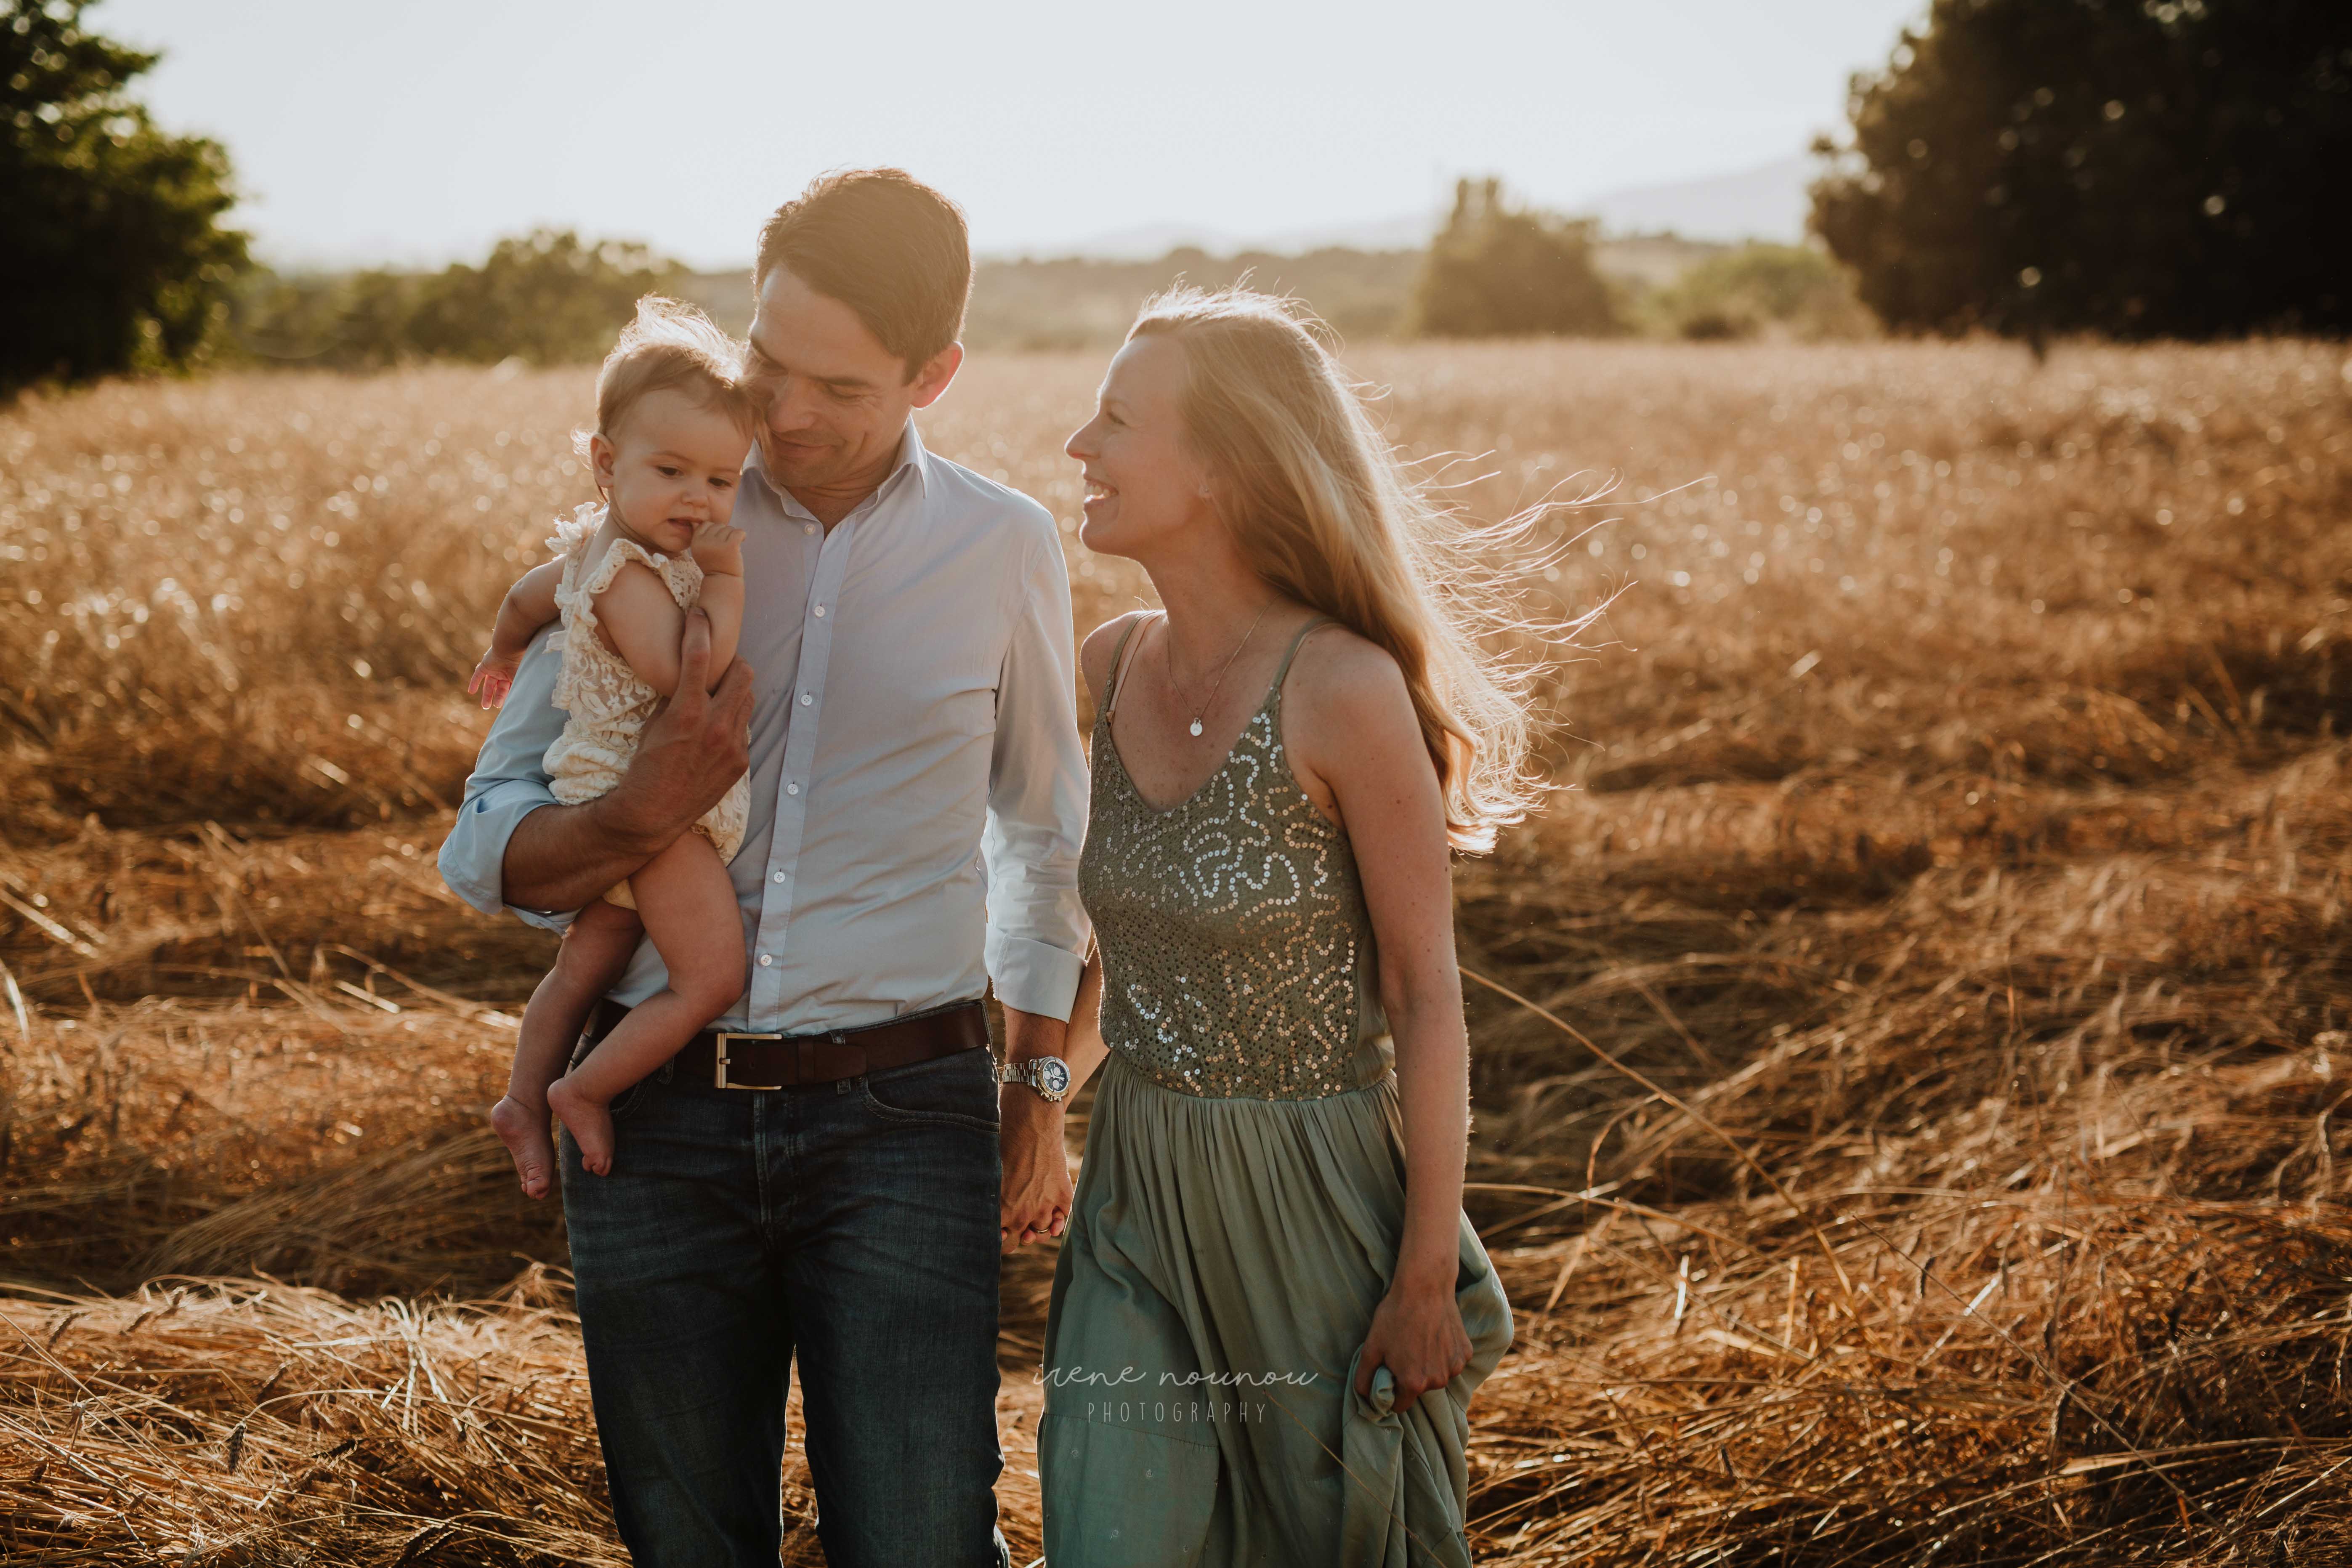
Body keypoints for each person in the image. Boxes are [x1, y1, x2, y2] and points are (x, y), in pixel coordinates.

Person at [439, 169, 1090, 1568]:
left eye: (837, 386)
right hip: (652, 1122)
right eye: (767, 362)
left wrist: (1038, 1094)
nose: (784, 415)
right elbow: (486, 833)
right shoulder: (648, 526)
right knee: (686, 1544)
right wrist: (630, 821)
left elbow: (1045, 838)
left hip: (907, 1119)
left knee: (921, 1539)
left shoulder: (1005, 547)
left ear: (937, 374)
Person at [1002, 287, 1520, 1565]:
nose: (1079, 445)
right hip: (1135, 1194)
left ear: (1226, 467)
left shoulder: (1339, 686)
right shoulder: (1110, 661)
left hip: (1312, 1203)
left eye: (1117, 420)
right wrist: (1044, 1094)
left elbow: (1424, 998)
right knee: (1110, 1530)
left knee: (1324, 1540)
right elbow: (1130, 950)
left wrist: (1417, 1281)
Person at [465, 296, 755, 1190]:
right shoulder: (631, 576)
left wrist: (504, 649)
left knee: (584, 964)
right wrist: (727, 578)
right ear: (604, 462)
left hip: (599, 780)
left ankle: (520, 1096)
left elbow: (527, 593)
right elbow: (684, 674)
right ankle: (586, 1089)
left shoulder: (591, 552)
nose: (699, 500)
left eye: (720, 480)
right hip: (644, 800)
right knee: (708, 978)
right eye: (671, 471)